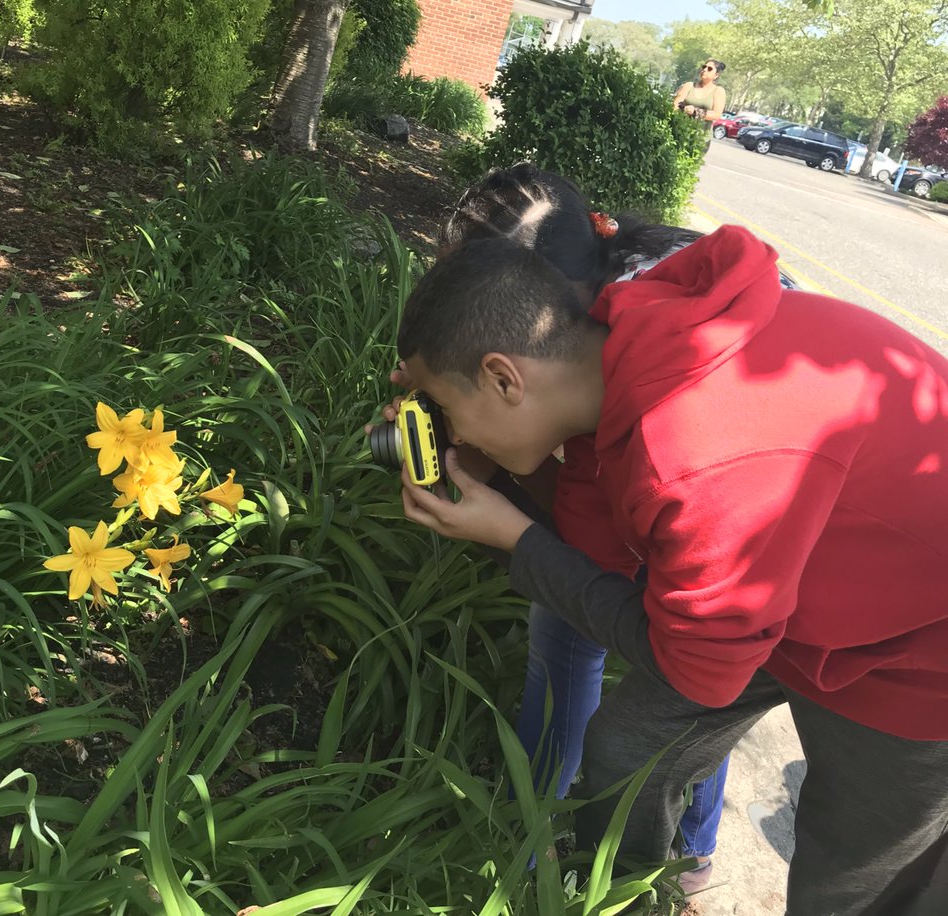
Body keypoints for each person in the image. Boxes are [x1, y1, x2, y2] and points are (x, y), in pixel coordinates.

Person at [391, 201, 948, 913]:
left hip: (916, 653)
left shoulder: (695, 453)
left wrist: (515, 538)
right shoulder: (617, 360)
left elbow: (697, 670)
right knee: (629, 749)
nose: (453, 430)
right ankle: (623, 898)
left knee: (849, 885)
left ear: (504, 379)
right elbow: (602, 560)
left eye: (450, 408)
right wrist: (498, 480)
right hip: (787, 602)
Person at [427, 164, 765, 889]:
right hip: (675, 485)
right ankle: (539, 829)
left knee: (698, 685)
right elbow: (581, 518)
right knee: (580, 630)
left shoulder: (649, 348)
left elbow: (605, 532)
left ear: (540, 304)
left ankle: (654, 854)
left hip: (731, 512)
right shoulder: (579, 318)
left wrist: (511, 509)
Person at [674, 59, 727, 146]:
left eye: (709, 69)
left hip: (700, 139)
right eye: (704, 67)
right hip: (680, 132)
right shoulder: (689, 86)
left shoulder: (718, 91)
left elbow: (717, 114)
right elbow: (675, 106)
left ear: (716, 75)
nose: (705, 70)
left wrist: (696, 112)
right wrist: (683, 109)